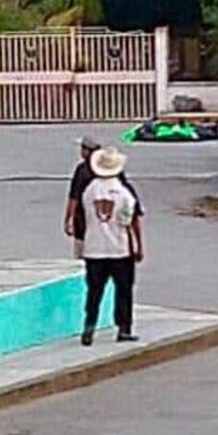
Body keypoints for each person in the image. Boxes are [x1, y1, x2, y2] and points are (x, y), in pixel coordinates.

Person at [80, 147, 144, 346]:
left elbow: (84, 217)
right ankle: (123, 328)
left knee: (94, 291)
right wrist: (138, 246)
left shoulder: (89, 190)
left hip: (94, 248)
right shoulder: (125, 193)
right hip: (119, 248)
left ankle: (89, 327)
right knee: (123, 290)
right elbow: (130, 220)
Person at [64, 136, 142, 258]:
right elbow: (132, 215)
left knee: (83, 257)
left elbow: (74, 196)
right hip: (118, 242)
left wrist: (68, 219)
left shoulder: (83, 173)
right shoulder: (122, 189)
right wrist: (138, 245)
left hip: (85, 224)